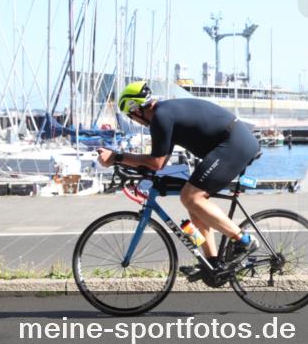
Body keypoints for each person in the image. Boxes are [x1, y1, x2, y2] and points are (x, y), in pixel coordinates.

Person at [96, 81, 261, 282]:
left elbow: (156, 163)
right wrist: (129, 163)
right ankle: (212, 263)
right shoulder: (165, 114)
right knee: (193, 203)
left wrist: (117, 157)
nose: (134, 121)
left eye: (131, 116)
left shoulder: (161, 117)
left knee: (191, 197)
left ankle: (244, 240)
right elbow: (160, 161)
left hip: (233, 145)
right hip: (231, 143)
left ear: (136, 109)